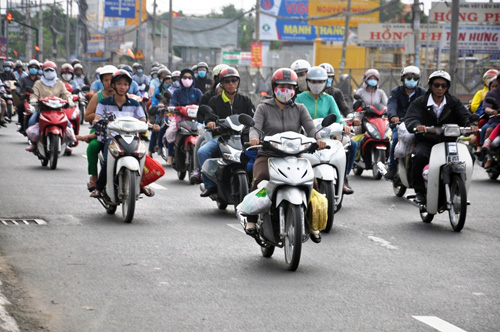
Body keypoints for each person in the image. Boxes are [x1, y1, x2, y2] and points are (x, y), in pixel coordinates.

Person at [245, 67, 327, 243]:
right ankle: (251, 220)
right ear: (274, 88)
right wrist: (254, 138)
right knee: (261, 178)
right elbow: (255, 127)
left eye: (290, 87)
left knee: (311, 181)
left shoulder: (300, 108)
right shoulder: (263, 107)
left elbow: (311, 128)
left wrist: (319, 139)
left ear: (295, 89)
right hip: (268, 156)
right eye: (281, 87)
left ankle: (313, 224)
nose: (285, 91)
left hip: (294, 156)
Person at [405, 70, 475, 204]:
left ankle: (460, 189)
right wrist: (417, 125)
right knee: (419, 156)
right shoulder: (420, 102)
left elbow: (464, 116)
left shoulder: (454, 102)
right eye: (436, 85)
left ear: (447, 87)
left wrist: (471, 125)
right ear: (431, 85)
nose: (440, 88)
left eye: (443, 85)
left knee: (469, 157)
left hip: (449, 142)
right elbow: (411, 117)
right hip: (427, 141)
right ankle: (419, 191)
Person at [295, 66, 357, 195]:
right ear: (307, 82)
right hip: (306, 137)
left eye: (320, 82)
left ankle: (343, 179)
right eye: (313, 81)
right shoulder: (300, 98)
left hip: (326, 137)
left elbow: (338, 117)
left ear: (325, 83)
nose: (317, 85)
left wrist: (344, 125)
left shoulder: (329, 99)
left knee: (349, 145)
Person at [90, 70, 150, 198]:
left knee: (142, 157)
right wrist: (97, 121)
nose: (122, 87)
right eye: (119, 84)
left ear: (129, 87)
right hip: (111, 138)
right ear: (113, 85)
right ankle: (99, 188)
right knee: (108, 161)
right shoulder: (104, 103)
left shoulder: (135, 103)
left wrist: (149, 125)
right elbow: (97, 117)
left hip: (132, 138)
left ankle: (141, 185)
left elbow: (143, 120)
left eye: (125, 84)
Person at [196, 66, 255, 194]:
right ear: (221, 83)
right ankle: (209, 184)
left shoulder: (245, 100)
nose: (231, 84)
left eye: (234, 80)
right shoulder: (214, 100)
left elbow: (253, 118)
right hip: (221, 138)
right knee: (202, 152)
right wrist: (210, 122)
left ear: (238, 82)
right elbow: (209, 117)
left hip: (242, 138)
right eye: (227, 81)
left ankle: (255, 183)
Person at [384, 65, 426, 180]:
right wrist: (393, 116)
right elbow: (391, 105)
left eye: (415, 78)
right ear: (403, 78)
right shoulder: (396, 92)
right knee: (396, 138)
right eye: (409, 78)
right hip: (399, 124)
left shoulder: (423, 93)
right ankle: (392, 167)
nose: (412, 80)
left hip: (417, 125)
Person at [79, 64, 117, 190]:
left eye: (112, 79)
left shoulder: (123, 96)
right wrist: (103, 117)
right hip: (100, 130)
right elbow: (87, 116)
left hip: (119, 130)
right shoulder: (98, 97)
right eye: (106, 80)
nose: (109, 83)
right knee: (93, 147)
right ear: (102, 82)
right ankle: (94, 178)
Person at [26, 61, 74, 152]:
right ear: (43, 71)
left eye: (51, 70)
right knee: (31, 121)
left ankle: (66, 144)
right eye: (46, 70)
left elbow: (66, 94)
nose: (49, 72)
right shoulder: (38, 83)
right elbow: (34, 95)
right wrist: (33, 100)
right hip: (42, 109)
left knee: (68, 124)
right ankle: (33, 143)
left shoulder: (59, 83)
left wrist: (70, 100)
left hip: (58, 110)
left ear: (55, 71)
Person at [148, 74, 173, 159]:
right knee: (158, 126)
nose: (168, 83)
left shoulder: (174, 91)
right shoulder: (158, 91)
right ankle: (153, 149)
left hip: (175, 114)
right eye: (166, 81)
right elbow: (154, 103)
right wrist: (159, 105)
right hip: (162, 113)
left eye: (170, 81)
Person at [16, 59, 40, 132]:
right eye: (32, 67)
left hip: (38, 100)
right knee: (20, 106)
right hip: (27, 99)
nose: (33, 69)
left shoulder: (40, 80)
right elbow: (19, 87)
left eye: (35, 68)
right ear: (29, 69)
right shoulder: (23, 79)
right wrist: (20, 92)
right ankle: (21, 124)